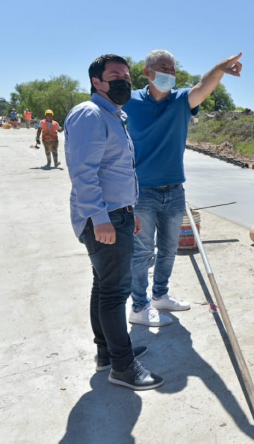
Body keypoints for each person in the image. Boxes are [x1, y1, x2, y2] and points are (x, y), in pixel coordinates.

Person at [123, 49, 243, 327]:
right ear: (147, 72)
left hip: (175, 190)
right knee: (142, 253)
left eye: (173, 69)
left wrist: (220, 68)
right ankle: (139, 307)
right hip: (141, 192)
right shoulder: (130, 101)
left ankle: (160, 295)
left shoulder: (181, 101)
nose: (169, 73)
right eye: (163, 67)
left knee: (168, 249)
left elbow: (204, 86)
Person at [64, 54, 163, 390]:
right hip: (103, 218)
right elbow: (83, 173)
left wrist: (129, 211)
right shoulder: (90, 114)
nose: (124, 80)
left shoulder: (112, 116)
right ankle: (122, 366)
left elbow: (116, 170)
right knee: (114, 293)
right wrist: (101, 219)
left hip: (117, 214)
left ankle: (108, 353)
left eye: (126, 75)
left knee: (103, 287)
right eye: (115, 75)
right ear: (97, 82)